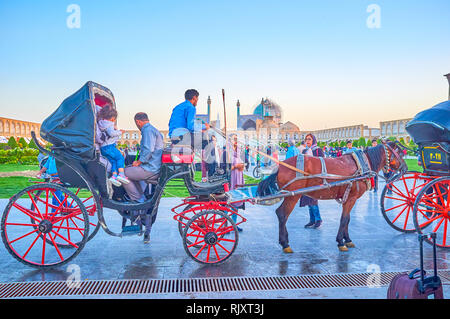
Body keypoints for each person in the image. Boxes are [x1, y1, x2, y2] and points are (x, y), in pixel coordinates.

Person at [122, 112, 164, 244]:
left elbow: (148, 149)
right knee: (130, 172)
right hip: (153, 168)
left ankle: (138, 198)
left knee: (122, 174)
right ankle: (139, 198)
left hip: (149, 169)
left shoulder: (147, 130)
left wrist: (139, 161)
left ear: (138, 122)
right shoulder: (154, 129)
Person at [96, 105, 130, 186]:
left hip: (103, 148)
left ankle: (114, 176)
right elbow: (111, 133)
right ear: (112, 118)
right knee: (120, 157)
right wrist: (120, 132)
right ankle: (121, 174)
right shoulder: (109, 124)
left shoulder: (101, 123)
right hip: (109, 147)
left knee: (113, 161)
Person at [299, 133, 324, 229]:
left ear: (313, 140)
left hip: (315, 178)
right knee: (308, 199)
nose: (307, 141)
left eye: (309, 139)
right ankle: (312, 220)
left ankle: (318, 219)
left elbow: (323, 163)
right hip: (307, 179)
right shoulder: (306, 150)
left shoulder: (317, 150)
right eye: (306, 139)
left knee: (313, 199)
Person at [229, 134, 244, 232]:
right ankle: (227, 224)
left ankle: (234, 224)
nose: (236, 140)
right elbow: (225, 168)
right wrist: (235, 166)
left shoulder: (238, 151)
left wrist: (241, 165)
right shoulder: (227, 152)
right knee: (231, 202)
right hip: (232, 178)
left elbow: (241, 163)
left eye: (236, 138)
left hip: (238, 178)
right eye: (234, 139)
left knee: (237, 202)